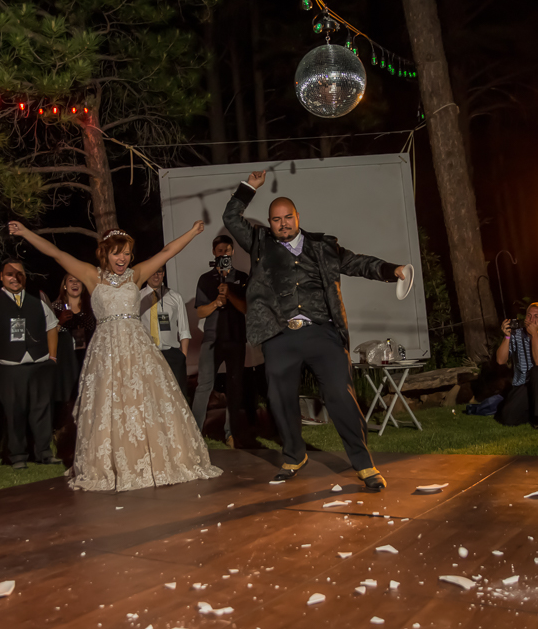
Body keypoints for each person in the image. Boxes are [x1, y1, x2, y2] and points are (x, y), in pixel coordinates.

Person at [224, 171, 407, 490]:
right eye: (276, 219)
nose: (283, 224)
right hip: (279, 336)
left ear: (298, 217)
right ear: (270, 223)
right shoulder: (259, 243)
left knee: (340, 395)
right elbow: (230, 217)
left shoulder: (323, 246)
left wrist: (394, 270)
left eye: (288, 217)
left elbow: (358, 263)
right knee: (280, 399)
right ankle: (294, 455)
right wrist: (249, 187)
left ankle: (364, 464)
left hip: (321, 332)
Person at [7, 220, 222, 492]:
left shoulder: (135, 275)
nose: (123, 258)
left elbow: (167, 252)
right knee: (110, 405)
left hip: (137, 348)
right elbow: (57, 254)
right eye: (117, 253)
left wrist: (192, 232)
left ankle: (152, 459)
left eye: (127, 253)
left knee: (143, 402)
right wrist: (25, 232)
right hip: (106, 352)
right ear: (105, 253)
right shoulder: (91, 276)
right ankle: (116, 463)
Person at [0, 259, 62, 470]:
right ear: (2, 277)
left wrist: (52, 357)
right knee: (14, 412)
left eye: (19, 274)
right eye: (10, 274)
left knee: (42, 409)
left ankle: (44, 453)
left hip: (39, 364)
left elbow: (52, 327)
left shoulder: (37, 302)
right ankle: (18, 456)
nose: (15, 278)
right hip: (10, 367)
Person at [191, 236, 252, 448]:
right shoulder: (205, 279)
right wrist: (217, 302)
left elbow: (246, 308)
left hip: (236, 340)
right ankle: (194, 433)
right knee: (204, 386)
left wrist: (230, 293)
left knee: (235, 386)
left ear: (233, 252)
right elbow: (200, 312)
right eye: (219, 250)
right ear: (214, 253)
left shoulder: (242, 278)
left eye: (227, 249)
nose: (223, 253)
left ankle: (230, 433)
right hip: (212, 340)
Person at [51, 273, 97, 458]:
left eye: (78, 280)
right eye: (71, 280)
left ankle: (88, 440)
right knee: (67, 399)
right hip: (65, 360)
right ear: (64, 285)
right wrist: (60, 321)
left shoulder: (90, 306)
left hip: (87, 357)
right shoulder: (55, 307)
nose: (75, 284)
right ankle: (64, 441)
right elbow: (48, 334)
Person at [495, 303, 538, 430]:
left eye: (536, 316)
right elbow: (501, 360)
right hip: (523, 384)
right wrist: (507, 336)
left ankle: (537, 419)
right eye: (529, 315)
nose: (531, 320)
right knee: (508, 418)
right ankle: (537, 409)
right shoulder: (516, 334)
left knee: (537, 371)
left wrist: (535, 335)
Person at [139, 265, 191, 397]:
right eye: (153, 272)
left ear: (163, 274)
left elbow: (184, 329)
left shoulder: (175, 297)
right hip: (148, 354)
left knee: (178, 395)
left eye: (159, 272)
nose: (156, 276)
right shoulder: (138, 298)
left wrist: (183, 356)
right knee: (153, 395)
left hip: (171, 354)